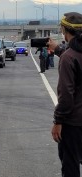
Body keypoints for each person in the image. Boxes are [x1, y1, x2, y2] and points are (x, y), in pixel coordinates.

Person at [48, 12, 82, 177]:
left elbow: (66, 97)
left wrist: (58, 121)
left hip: (74, 124)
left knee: (71, 166)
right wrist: (59, 49)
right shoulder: (69, 55)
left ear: (64, 30)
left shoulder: (68, 57)